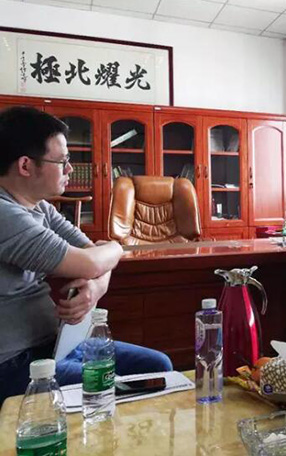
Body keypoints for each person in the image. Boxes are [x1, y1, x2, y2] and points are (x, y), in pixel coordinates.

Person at [0, 106, 172, 406]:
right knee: (133, 388)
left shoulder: (40, 207)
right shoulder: (5, 214)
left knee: (157, 367)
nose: (70, 169)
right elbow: (92, 260)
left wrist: (96, 288)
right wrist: (116, 248)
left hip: (56, 345)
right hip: (16, 364)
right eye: (62, 161)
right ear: (26, 165)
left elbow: (93, 256)